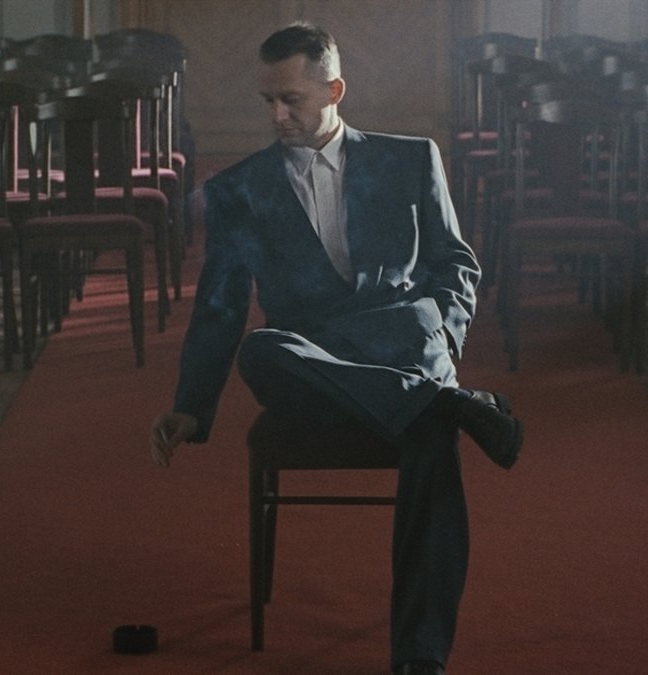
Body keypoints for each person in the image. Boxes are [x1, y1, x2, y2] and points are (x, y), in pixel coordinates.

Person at [149, 22, 522, 675]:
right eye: (267, 100)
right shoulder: (238, 190)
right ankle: (449, 402)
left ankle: (420, 658)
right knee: (261, 350)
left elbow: (455, 264)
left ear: (334, 90)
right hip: (314, 367)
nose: (276, 115)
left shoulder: (411, 159)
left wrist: (444, 337)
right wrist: (191, 405)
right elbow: (220, 305)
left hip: (404, 349)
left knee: (427, 433)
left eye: (291, 99)